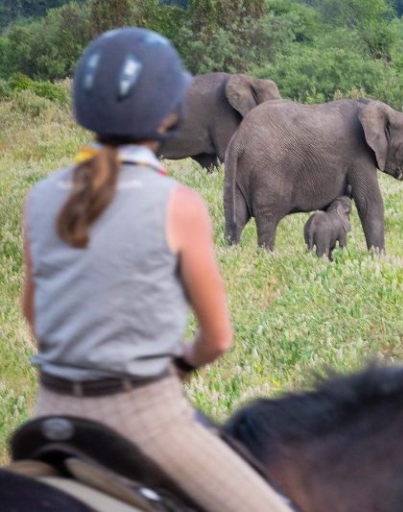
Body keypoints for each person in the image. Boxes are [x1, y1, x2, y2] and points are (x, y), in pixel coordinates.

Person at [21, 27, 291, 512]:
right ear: (170, 113)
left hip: (49, 415)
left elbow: (37, 319)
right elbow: (217, 339)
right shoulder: (178, 203)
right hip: (144, 416)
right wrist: (180, 365)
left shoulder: (41, 197)